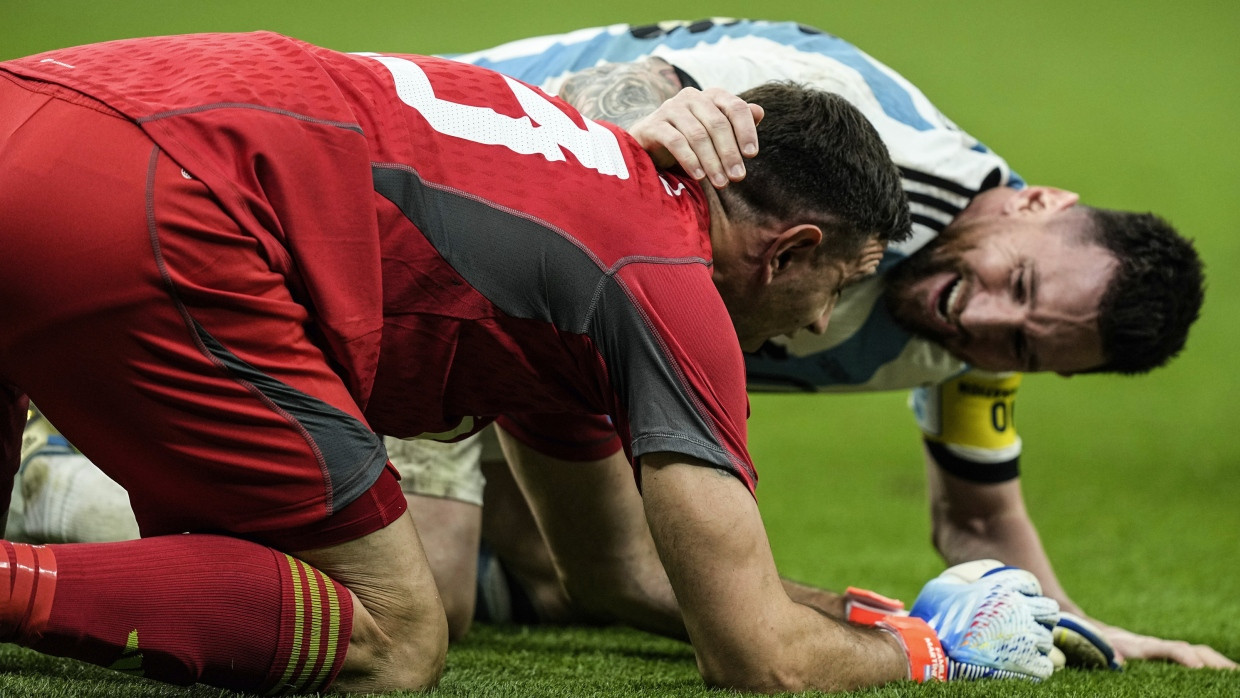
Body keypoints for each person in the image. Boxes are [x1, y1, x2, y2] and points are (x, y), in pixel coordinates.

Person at [0, 30, 1064, 695]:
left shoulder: (597, 190)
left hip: (53, 106)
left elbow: (614, 569)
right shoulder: (670, 282)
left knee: (242, 570)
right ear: (786, 246)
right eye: (833, 284)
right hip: (171, 207)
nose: (811, 325)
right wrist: (928, 656)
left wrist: (851, 608)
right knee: (395, 637)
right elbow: (759, 663)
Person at [361, 18, 1226, 670]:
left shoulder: (970, 339)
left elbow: (977, 514)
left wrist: (1059, 618)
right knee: (426, 597)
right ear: (1040, 203)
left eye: (1026, 353)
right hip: (428, 213)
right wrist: (651, 120)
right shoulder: (864, 126)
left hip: (560, 333)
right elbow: (588, 114)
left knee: (602, 564)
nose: (986, 326)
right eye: (1021, 285)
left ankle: (503, 550)